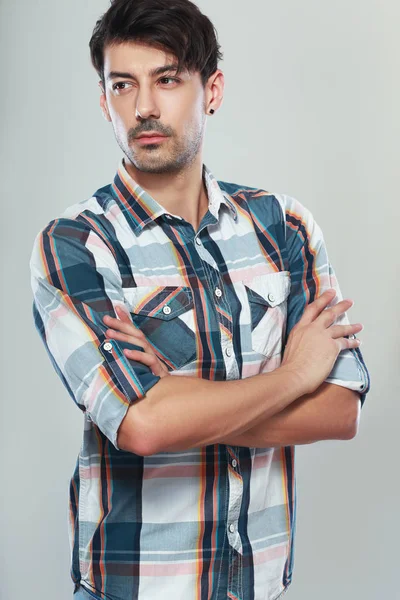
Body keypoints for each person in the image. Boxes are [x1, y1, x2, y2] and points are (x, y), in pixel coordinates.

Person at [29, 0, 370, 599]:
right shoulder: (75, 245)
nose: (145, 108)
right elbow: (143, 426)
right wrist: (294, 374)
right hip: (132, 589)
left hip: (258, 585)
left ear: (211, 89)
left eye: (167, 79)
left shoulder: (283, 226)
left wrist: (181, 402)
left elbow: (340, 412)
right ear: (104, 100)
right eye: (123, 85)